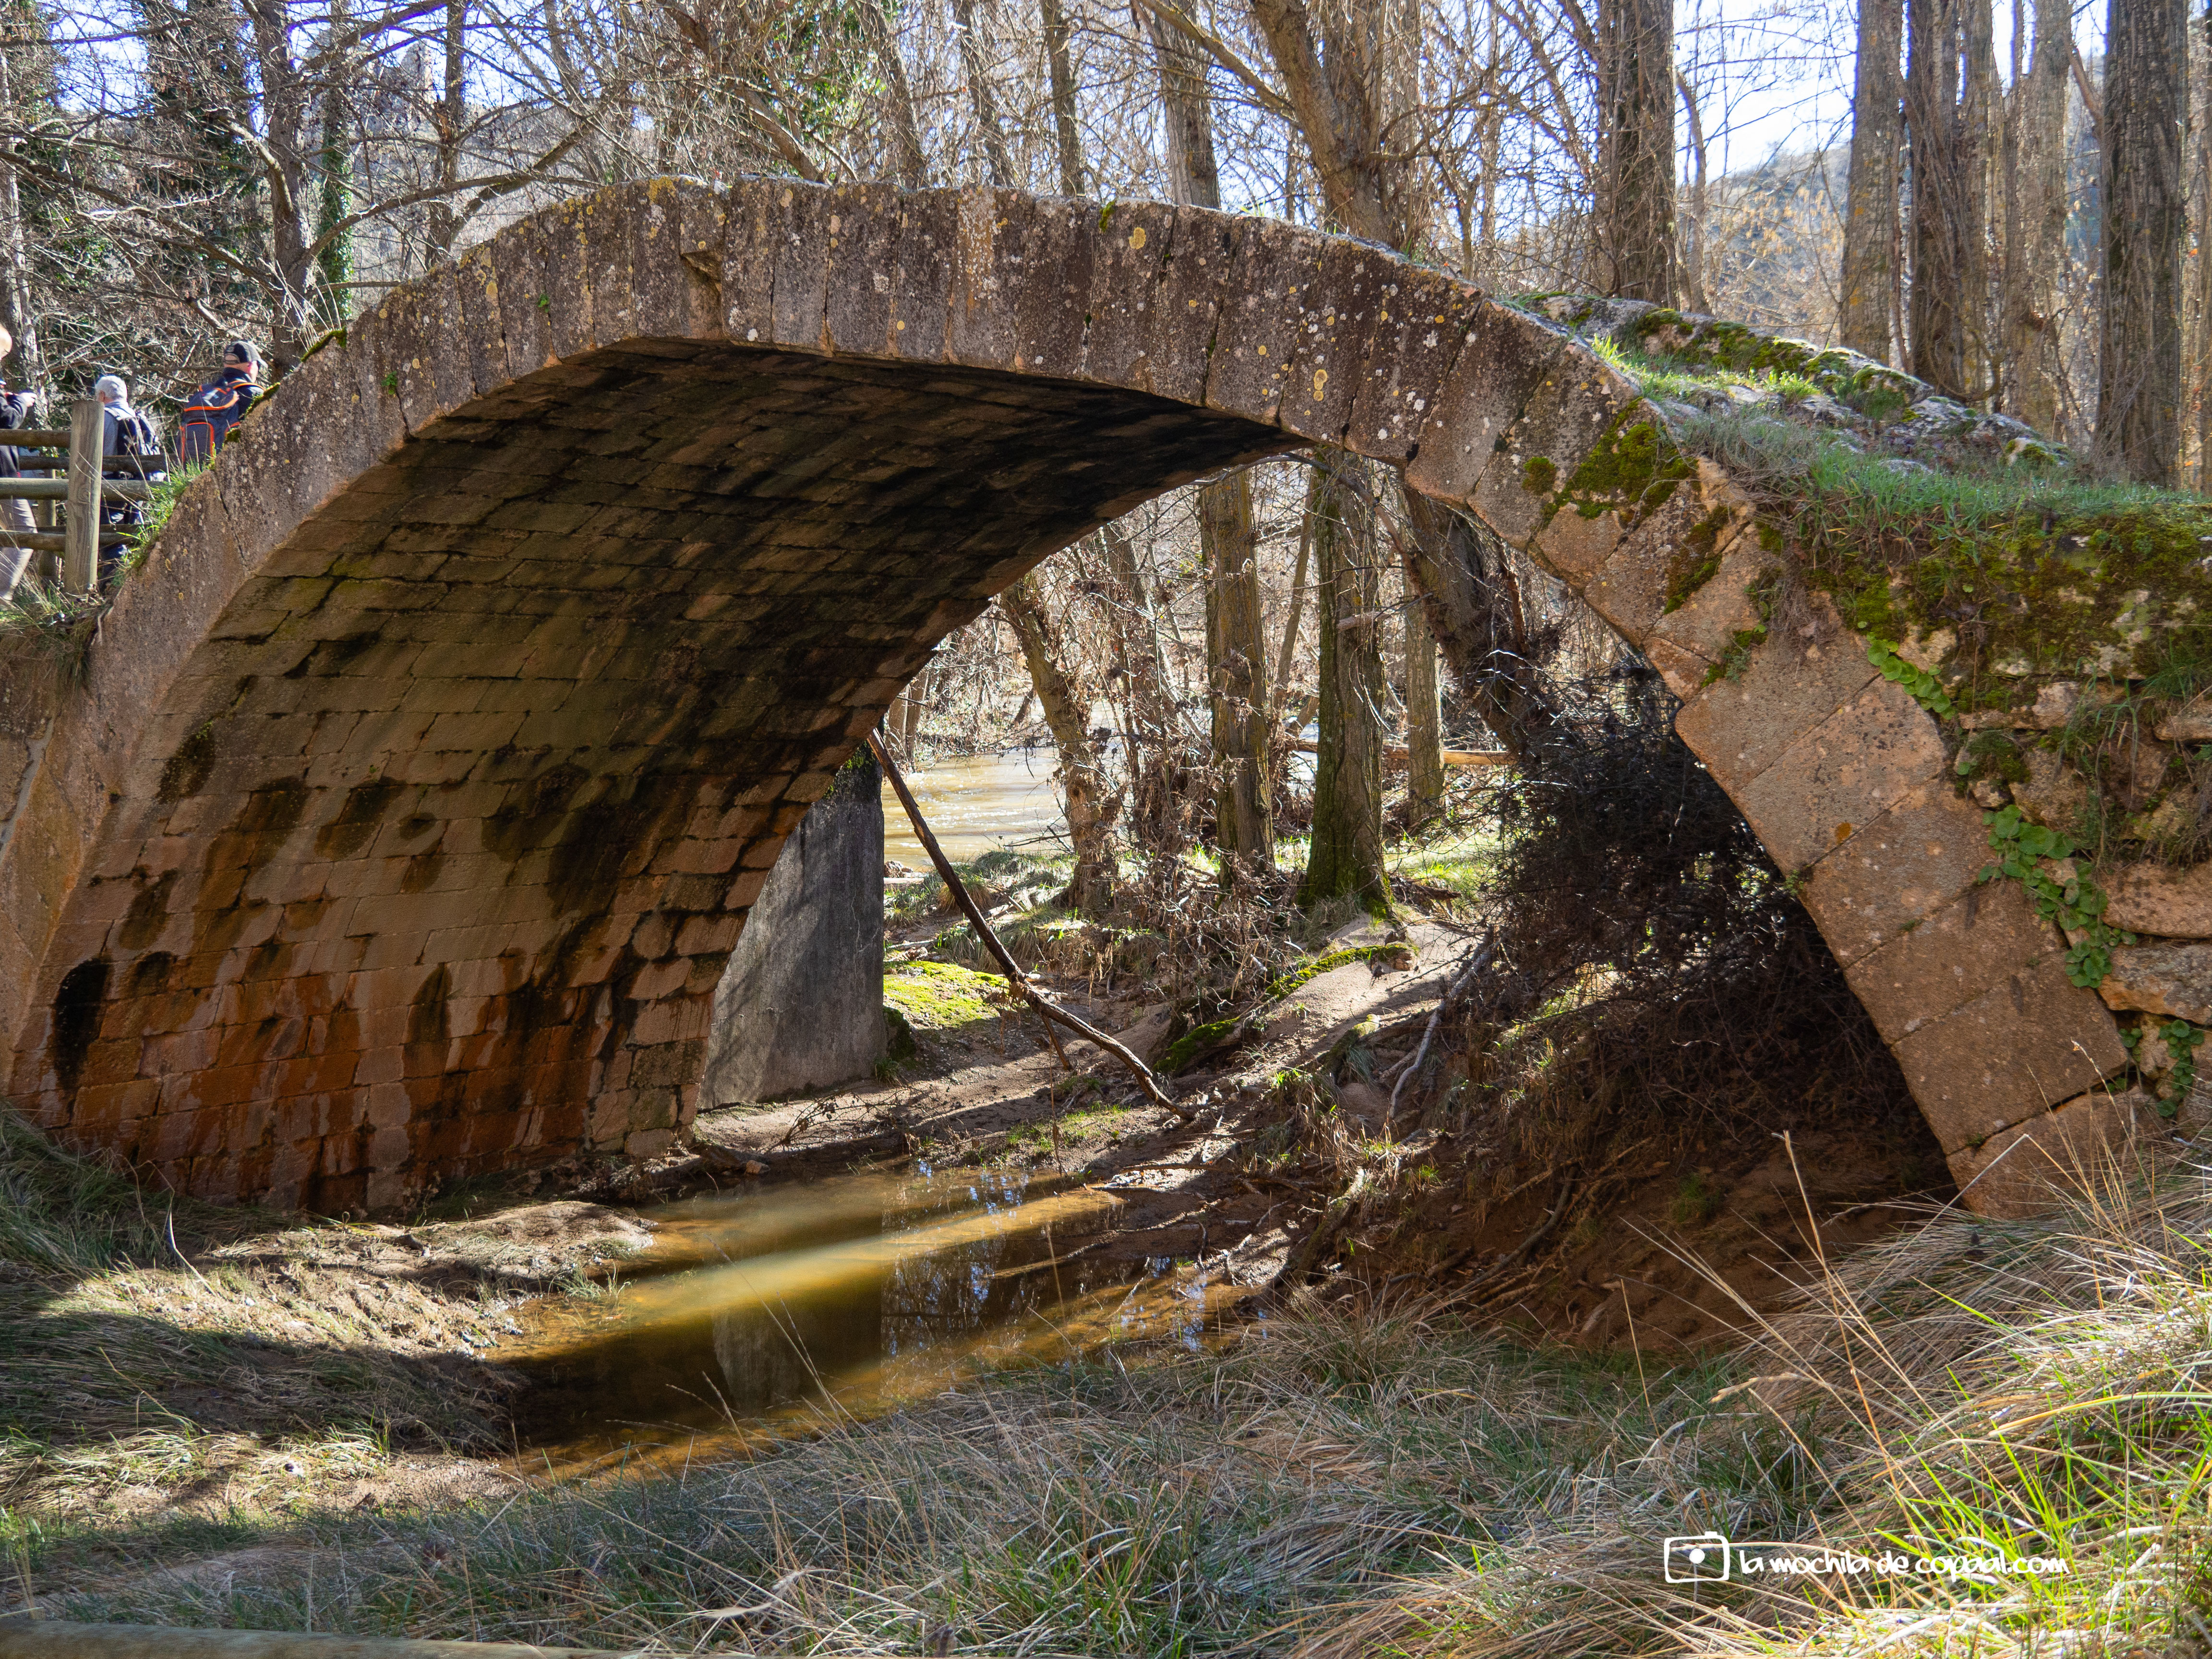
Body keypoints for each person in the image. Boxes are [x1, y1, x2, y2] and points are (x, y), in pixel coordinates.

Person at [0, 323, 37, 604]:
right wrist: (22, 403)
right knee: (25, 533)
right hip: (3, 475)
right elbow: (6, 421)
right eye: (2, 352)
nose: (3, 359)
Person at [178, 340, 260, 466]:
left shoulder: (202, 393)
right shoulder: (252, 393)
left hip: (194, 475)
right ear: (250, 365)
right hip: (234, 473)